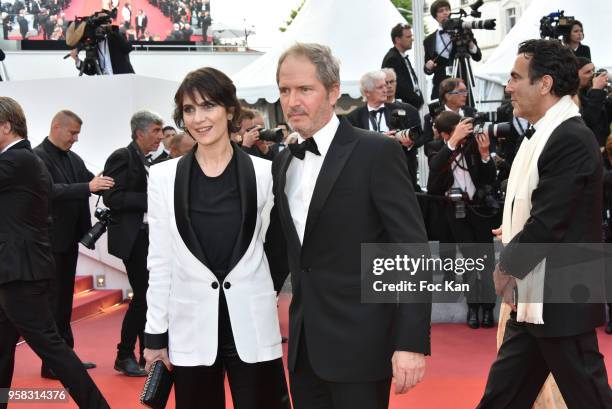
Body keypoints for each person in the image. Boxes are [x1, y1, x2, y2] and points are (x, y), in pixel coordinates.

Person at [268, 42, 431, 409]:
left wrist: (410, 342)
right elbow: (284, 253)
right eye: (284, 90)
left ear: (334, 91)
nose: (292, 101)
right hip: (305, 348)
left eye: (305, 89)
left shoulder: (376, 152)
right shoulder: (284, 164)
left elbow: (411, 251)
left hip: (362, 344)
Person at [143, 67, 290, 409]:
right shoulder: (163, 177)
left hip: (252, 324)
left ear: (229, 109)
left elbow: (276, 246)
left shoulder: (265, 173)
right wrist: (155, 334)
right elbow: (161, 259)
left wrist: (266, 292)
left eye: (207, 106)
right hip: (190, 326)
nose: (198, 118)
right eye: (189, 110)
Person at [478, 39, 612, 409]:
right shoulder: (549, 133)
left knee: (590, 397)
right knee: (502, 398)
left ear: (545, 83)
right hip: (537, 298)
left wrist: (507, 265)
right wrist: (513, 228)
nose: (508, 87)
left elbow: (549, 221)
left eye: (516, 77)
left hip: (559, 296)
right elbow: (548, 213)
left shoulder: (570, 136)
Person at [0, 97, 110, 409]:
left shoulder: (17, 160)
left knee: (51, 347)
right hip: (16, 268)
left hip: (21, 272)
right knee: (4, 349)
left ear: (6, 126)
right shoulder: (25, 160)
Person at [33, 110, 115, 379]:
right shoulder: (37, 158)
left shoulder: (73, 158)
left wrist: (111, 180)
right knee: (55, 302)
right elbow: (50, 191)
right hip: (50, 243)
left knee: (64, 301)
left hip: (68, 241)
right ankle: (53, 363)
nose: (76, 139)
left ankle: (64, 358)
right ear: (56, 127)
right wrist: (88, 187)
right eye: (73, 133)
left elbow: (90, 180)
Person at [102, 110, 163, 377]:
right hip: (134, 238)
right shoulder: (122, 156)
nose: (160, 137)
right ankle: (124, 354)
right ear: (140, 133)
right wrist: (151, 199)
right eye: (156, 131)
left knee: (148, 297)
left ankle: (141, 354)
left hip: (149, 237)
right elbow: (112, 197)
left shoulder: (150, 160)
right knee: (144, 297)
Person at [426, 111, 497, 328]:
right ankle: (472, 307)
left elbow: (490, 178)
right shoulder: (436, 148)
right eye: (458, 133)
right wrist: (453, 143)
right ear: (446, 134)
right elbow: (434, 172)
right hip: (456, 212)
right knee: (468, 260)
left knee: (486, 261)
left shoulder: (473, 144)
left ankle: (488, 308)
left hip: (479, 210)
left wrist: (485, 155)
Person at [347, 69, 421, 190]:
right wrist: (379, 140)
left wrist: (409, 142)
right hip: (368, 178)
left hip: (399, 176)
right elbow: (351, 148)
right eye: (380, 87)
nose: (385, 90)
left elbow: (420, 137)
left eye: (385, 85)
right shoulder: (353, 118)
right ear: (367, 92)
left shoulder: (403, 111)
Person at [423, 0, 482, 101]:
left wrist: (470, 43)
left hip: (461, 82)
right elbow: (427, 70)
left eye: (447, 9)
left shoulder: (462, 29)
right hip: (441, 87)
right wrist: (428, 67)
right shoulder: (429, 40)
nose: (445, 12)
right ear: (435, 16)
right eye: (441, 11)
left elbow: (477, 56)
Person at [67, 15, 135, 75]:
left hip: (124, 80)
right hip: (106, 84)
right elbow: (91, 71)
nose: (98, 30)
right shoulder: (93, 45)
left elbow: (128, 48)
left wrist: (111, 30)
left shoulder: (114, 36)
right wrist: (77, 60)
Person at [381, 23, 424, 110]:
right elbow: (400, 86)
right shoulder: (392, 59)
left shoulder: (401, 56)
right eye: (408, 37)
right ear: (397, 39)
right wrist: (416, 99)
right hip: (401, 108)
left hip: (408, 106)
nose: (412, 39)